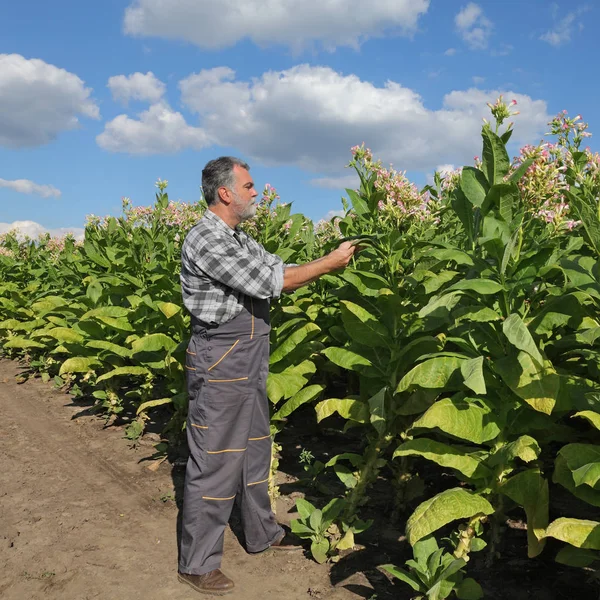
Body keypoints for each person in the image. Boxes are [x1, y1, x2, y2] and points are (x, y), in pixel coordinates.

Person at [178, 156, 356, 595]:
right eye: (250, 185)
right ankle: (197, 561)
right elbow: (271, 284)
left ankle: (262, 533)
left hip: (249, 356)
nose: (257, 192)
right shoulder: (206, 238)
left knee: (255, 449)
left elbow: (278, 269)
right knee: (215, 458)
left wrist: (332, 256)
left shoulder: (240, 239)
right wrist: (331, 264)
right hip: (220, 359)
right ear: (225, 192)